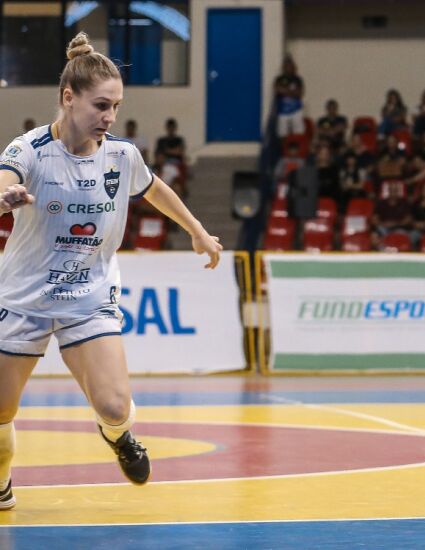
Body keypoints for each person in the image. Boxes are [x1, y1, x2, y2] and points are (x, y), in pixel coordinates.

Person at [0, 32, 223, 510]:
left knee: (116, 407)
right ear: (68, 98)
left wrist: (197, 230)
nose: (110, 117)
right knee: (0, 412)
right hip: (22, 298)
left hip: (88, 295)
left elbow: (155, 189)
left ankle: (118, 436)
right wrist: (4, 195)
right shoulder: (31, 150)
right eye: (101, 105)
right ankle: (1, 481)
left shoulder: (121, 155)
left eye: (116, 107)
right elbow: (4, 177)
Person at [273, 54, 305, 138]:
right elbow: (277, 90)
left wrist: (285, 91)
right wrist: (291, 92)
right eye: (286, 65)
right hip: (283, 112)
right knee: (282, 135)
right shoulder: (279, 79)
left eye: (290, 65)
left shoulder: (297, 79)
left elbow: (299, 93)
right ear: (283, 67)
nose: (288, 67)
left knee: (298, 134)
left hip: (296, 111)